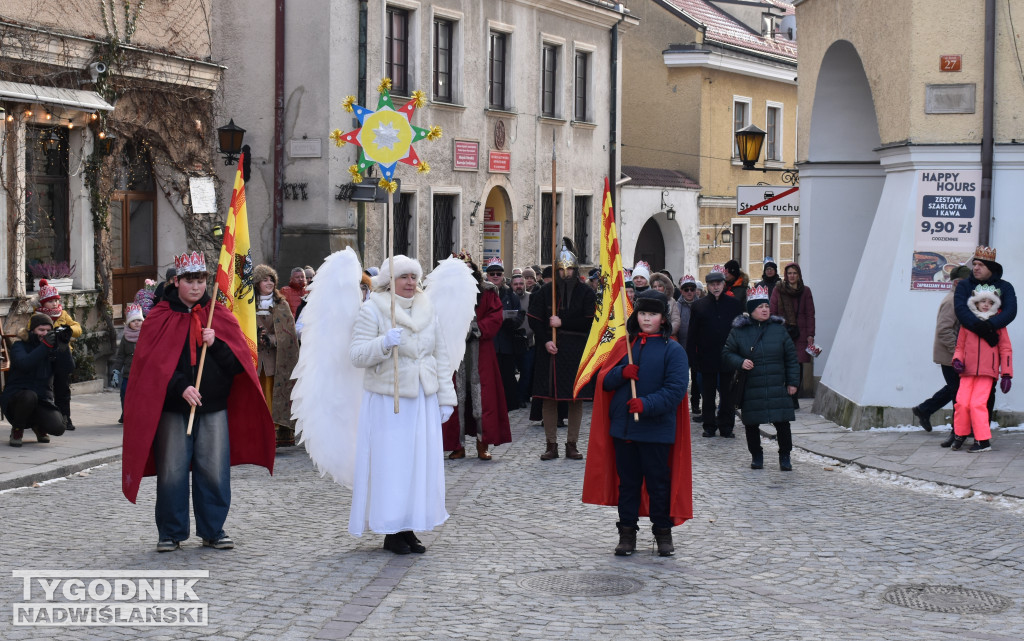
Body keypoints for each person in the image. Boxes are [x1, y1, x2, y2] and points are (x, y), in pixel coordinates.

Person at [121, 250, 275, 552]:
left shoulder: (218, 315)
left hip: (213, 406)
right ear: (177, 281)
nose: (197, 286)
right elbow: (152, 367)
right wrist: (181, 387)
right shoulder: (159, 317)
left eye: (201, 280)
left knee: (214, 469)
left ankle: (213, 529)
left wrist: (215, 343)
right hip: (174, 408)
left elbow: (237, 365)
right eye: (190, 280)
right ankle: (171, 532)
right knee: (172, 470)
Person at [350, 255, 457, 554]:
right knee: (392, 464)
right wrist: (383, 343)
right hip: (389, 401)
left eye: (413, 277)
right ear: (389, 280)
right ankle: (391, 529)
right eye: (403, 277)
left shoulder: (427, 308)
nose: (410, 283)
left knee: (417, 464)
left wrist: (446, 397)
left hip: (422, 398)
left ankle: (409, 525)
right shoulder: (373, 309)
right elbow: (356, 355)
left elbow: (441, 355)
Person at [584, 290, 692, 557]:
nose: (646, 318)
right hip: (625, 429)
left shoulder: (673, 350)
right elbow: (604, 381)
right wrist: (621, 372)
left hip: (657, 430)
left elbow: (676, 389)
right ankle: (627, 535)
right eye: (642, 313)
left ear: (663, 319)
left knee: (658, 484)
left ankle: (663, 534)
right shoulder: (625, 347)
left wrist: (647, 404)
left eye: (652, 314)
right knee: (628, 485)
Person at [528, 239, 596, 460]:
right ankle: (551, 444)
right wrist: (545, 340)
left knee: (575, 399)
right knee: (549, 398)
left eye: (569, 269)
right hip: (550, 350)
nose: (565, 273)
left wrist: (562, 322)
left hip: (575, 351)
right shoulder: (546, 291)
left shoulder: (586, 292)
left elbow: (588, 321)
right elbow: (536, 320)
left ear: (575, 270)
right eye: (561, 269)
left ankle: (571, 444)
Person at [722, 286, 800, 471]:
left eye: (766, 305)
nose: (765, 309)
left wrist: (792, 382)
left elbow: (791, 358)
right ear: (751, 310)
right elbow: (726, 353)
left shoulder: (779, 330)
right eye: (760, 306)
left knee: (782, 423)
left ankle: (785, 456)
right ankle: (756, 455)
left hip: (777, 385)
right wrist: (740, 362)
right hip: (752, 386)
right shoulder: (739, 331)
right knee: (752, 423)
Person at [444, 257, 511, 460]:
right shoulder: (446, 292)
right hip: (455, 351)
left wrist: (475, 329)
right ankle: (458, 445)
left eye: (468, 268)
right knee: (456, 397)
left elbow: (495, 316)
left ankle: (483, 443)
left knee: (483, 397)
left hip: (480, 350)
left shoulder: (487, 291)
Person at [953, 246, 1017, 423]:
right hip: (967, 345)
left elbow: (1010, 311)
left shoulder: (1005, 287)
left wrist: (990, 325)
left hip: (992, 349)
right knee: (961, 395)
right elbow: (960, 309)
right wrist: (981, 329)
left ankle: (981, 430)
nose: (975, 268)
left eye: (980, 264)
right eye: (974, 264)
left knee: (987, 394)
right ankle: (958, 432)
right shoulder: (964, 285)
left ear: (991, 268)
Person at [950, 284, 1013, 453]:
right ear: (975, 303)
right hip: (967, 371)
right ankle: (960, 435)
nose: (986, 304)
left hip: (987, 372)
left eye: (990, 302)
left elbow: (1005, 349)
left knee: (977, 404)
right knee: (962, 403)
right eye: (982, 301)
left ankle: (983, 441)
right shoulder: (967, 324)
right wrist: (957, 360)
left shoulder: (998, 324)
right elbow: (960, 347)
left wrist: (1006, 374)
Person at [912, 265, 971, 440]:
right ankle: (957, 431)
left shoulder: (959, 298)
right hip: (950, 357)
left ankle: (924, 409)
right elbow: (944, 330)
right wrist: (957, 353)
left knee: (955, 388)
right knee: (958, 394)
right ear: (959, 283)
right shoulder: (952, 301)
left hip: (952, 356)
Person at [687, 265, 744, 437]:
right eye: (712, 284)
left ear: (724, 284)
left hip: (729, 356)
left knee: (727, 395)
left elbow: (740, 331)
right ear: (707, 286)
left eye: (719, 283)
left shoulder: (734, 305)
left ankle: (727, 426)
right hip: (706, 356)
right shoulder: (699, 306)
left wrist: (740, 355)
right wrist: (692, 358)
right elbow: (692, 334)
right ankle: (709, 425)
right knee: (708, 394)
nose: (716, 287)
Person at [2, 314, 73, 447]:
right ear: (32, 330)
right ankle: (17, 430)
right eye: (41, 330)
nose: (45, 333)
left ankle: (38, 426)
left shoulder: (52, 347)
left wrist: (64, 348)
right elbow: (25, 364)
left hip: (42, 398)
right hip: (17, 399)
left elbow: (67, 369)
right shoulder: (20, 346)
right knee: (29, 396)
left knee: (58, 427)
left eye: (48, 330)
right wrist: (44, 346)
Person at [253, 265, 300, 447]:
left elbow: (288, 333)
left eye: (272, 279)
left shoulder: (282, 305)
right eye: (265, 279)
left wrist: (271, 339)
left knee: (273, 395)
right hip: (255, 359)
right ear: (257, 282)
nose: (270, 283)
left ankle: (274, 433)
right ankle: (256, 431)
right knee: (258, 396)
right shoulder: (249, 305)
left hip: (275, 360)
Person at [31, 279, 81, 431]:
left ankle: (65, 417)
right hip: (44, 357)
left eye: (55, 300)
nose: (54, 304)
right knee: (45, 388)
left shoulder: (63, 314)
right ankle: (45, 418)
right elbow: (30, 334)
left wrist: (68, 331)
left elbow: (77, 328)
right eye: (50, 301)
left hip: (62, 355)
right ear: (42, 303)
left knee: (62, 389)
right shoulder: (37, 316)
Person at [769, 262, 815, 409]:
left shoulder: (805, 291)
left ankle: (794, 397)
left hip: (800, 333)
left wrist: (810, 334)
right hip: (783, 331)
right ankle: (784, 395)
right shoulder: (779, 290)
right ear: (785, 275)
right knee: (782, 363)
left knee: (797, 365)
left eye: (794, 273)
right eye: (789, 273)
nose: (792, 276)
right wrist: (774, 330)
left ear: (799, 275)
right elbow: (773, 311)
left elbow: (810, 314)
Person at [484, 257, 525, 411]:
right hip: (490, 343)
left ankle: (508, 405)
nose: (495, 276)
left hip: (507, 342)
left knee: (507, 377)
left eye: (499, 273)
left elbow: (520, 314)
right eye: (492, 273)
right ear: (487, 275)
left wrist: (510, 321)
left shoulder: (510, 294)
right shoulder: (482, 293)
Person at [110, 303, 145, 424]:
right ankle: (125, 413)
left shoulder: (146, 335)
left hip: (142, 374)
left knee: (140, 396)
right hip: (128, 374)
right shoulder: (126, 338)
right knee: (125, 393)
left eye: (139, 320)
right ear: (128, 323)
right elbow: (120, 357)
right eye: (133, 320)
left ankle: (139, 414)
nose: (136, 323)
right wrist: (116, 371)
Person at [676, 275, 702, 419]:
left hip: (697, 348)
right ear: (681, 291)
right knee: (682, 378)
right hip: (681, 346)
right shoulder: (676, 305)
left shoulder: (701, 304)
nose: (690, 292)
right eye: (686, 289)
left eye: (692, 289)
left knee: (697, 378)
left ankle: (695, 404)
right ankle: (680, 405)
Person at [511, 273, 535, 407]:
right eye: (516, 284)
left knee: (526, 372)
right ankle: (515, 396)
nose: (519, 286)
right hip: (511, 341)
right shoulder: (508, 298)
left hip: (528, 342)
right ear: (511, 285)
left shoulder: (531, 298)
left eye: (521, 283)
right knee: (510, 374)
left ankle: (521, 397)